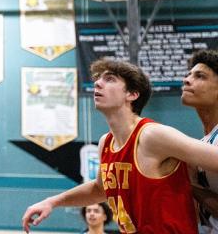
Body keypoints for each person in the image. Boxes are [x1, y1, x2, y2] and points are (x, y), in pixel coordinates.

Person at [22, 57, 218, 233]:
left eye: (110, 79)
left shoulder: (152, 135)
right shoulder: (105, 142)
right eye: (98, 78)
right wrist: (52, 201)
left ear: (132, 94)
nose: (98, 83)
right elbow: (99, 190)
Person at [181, 49, 218, 233]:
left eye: (200, 76)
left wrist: (189, 184)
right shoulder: (204, 141)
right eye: (188, 75)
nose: (186, 80)